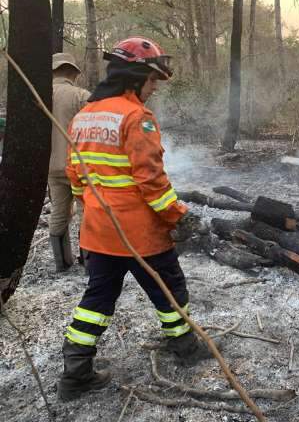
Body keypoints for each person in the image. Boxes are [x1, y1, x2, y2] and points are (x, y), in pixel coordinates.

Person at [57, 36, 208, 401]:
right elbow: (151, 182)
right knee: (170, 288)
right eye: (153, 80)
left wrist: (90, 212)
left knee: (97, 300)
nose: (154, 88)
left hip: (99, 232)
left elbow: (75, 176)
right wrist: (179, 217)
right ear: (135, 77)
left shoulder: (85, 116)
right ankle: (184, 347)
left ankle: (75, 374)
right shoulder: (135, 117)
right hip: (140, 234)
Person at [48, 53, 91, 272]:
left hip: (51, 167)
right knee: (88, 211)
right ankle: (88, 260)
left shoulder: (39, 95)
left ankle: (62, 264)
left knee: (59, 212)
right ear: (73, 73)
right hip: (79, 167)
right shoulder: (81, 96)